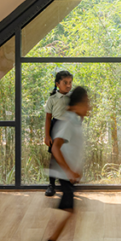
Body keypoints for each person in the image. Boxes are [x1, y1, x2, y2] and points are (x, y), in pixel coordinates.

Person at [37, 86, 90, 241]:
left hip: (67, 176)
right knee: (68, 211)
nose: (89, 107)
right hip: (64, 175)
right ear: (78, 104)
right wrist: (69, 171)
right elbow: (55, 148)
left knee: (67, 211)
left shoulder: (74, 120)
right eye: (87, 103)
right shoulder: (67, 121)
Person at [44, 70, 73, 198]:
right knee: (54, 158)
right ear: (57, 84)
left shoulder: (72, 98)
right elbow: (48, 118)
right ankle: (51, 185)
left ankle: (68, 186)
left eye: (70, 82)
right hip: (56, 128)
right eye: (65, 82)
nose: (68, 85)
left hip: (69, 128)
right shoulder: (52, 99)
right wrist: (47, 135)